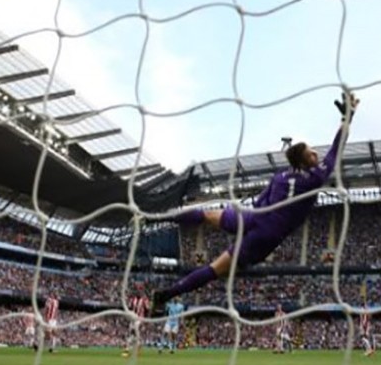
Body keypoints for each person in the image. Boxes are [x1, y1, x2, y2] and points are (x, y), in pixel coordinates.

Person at [152, 92, 359, 311]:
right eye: (312, 154)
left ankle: (159, 217)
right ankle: (166, 294)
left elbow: (261, 201)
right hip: (267, 235)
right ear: (304, 161)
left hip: (252, 217)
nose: (316, 154)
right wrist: (348, 118)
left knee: (207, 214)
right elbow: (336, 150)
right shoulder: (316, 178)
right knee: (216, 269)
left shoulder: (280, 176)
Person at [123, 291, 150, 358]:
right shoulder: (133, 300)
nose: (138, 293)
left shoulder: (144, 300)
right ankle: (135, 347)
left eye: (139, 292)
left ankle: (128, 349)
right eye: (137, 292)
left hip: (140, 318)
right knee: (133, 334)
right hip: (133, 318)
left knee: (134, 332)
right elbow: (130, 308)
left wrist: (146, 320)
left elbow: (147, 310)